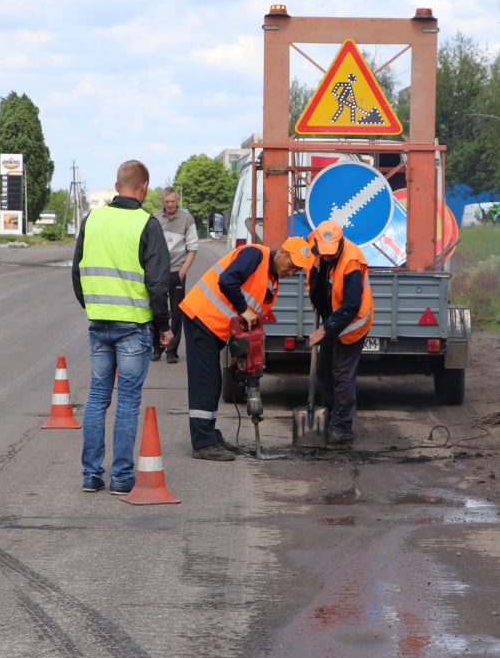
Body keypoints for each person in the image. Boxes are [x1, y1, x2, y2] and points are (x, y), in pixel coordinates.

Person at [72, 160, 172, 494]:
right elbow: (158, 284)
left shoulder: (93, 219)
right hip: (133, 325)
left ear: (117, 187)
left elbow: (77, 271)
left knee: (98, 396)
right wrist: (164, 326)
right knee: (128, 401)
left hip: (98, 322)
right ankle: (121, 478)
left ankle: (90, 474)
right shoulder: (148, 224)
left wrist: (93, 307)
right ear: (144, 187)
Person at [179, 236, 315, 460]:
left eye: (297, 271)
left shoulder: (272, 281)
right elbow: (227, 280)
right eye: (291, 267)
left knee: (213, 382)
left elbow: (249, 321)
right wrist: (244, 309)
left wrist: (240, 352)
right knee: (206, 381)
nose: (291, 273)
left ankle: (209, 435)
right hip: (201, 319)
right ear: (281, 253)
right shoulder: (255, 255)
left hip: (215, 328)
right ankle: (202, 442)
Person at [306, 220, 374, 445]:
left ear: (340, 244)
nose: (326, 258)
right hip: (331, 318)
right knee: (324, 371)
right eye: (322, 254)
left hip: (353, 322)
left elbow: (352, 305)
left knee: (342, 374)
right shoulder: (314, 246)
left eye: (330, 255)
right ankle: (329, 416)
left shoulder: (352, 261)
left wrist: (324, 330)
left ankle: (341, 426)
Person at [151, 186, 199, 364]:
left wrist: (183, 272)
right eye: (167, 202)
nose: (170, 205)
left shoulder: (187, 219)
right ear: (162, 201)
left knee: (178, 312)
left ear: (177, 201)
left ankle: (172, 350)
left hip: (177, 270)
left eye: (173, 201)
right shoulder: (154, 218)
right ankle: (157, 347)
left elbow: (192, 248)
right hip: (158, 271)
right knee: (157, 308)